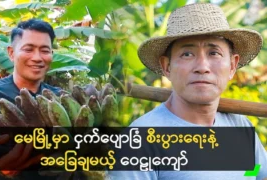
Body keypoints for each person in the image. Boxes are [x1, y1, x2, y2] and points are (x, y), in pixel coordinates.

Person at [109, 3, 267, 180]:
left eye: (214, 53)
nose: (202, 67)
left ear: (232, 65)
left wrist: (247, 174)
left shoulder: (239, 125)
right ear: (166, 66)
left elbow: (257, 171)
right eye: (187, 54)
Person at [0, 19, 60, 179]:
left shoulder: (58, 99)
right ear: (11, 53)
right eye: (28, 49)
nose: (37, 57)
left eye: (45, 50)